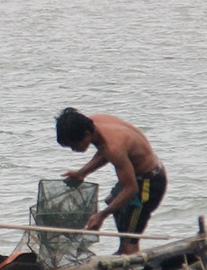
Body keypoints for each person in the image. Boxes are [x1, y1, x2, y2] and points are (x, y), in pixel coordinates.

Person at [56, 107, 167, 256]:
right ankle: (123, 250)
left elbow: (131, 189)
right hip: (137, 177)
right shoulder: (95, 123)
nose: (73, 149)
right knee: (112, 201)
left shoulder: (114, 147)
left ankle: (130, 258)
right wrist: (82, 173)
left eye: (74, 145)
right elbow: (104, 151)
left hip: (149, 184)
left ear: (87, 135)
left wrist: (101, 216)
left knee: (130, 241)